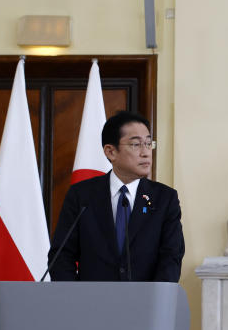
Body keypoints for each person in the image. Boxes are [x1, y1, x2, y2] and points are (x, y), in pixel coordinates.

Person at [48, 110, 185, 281]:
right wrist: (76, 300)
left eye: (149, 144)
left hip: (145, 303)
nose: (146, 152)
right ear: (111, 151)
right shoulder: (82, 196)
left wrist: (155, 301)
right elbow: (61, 257)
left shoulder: (165, 199)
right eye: (136, 144)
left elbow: (171, 257)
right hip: (91, 303)